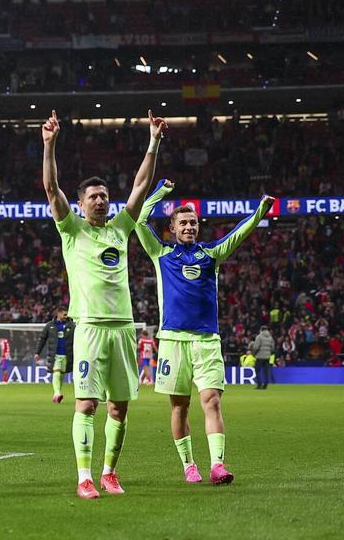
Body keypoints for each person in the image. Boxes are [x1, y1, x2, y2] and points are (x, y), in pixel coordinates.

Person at [42, 108, 166, 500]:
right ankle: (84, 477)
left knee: (120, 407)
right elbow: (51, 188)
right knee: (87, 403)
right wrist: (49, 145)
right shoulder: (72, 229)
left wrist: (154, 142)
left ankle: (109, 472)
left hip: (123, 328)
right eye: (93, 196)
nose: (100, 201)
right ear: (80, 204)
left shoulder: (120, 228)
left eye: (104, 196)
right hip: (91, 328)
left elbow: (142, 186)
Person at [136, 179, 273, 486]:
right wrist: (160, 192)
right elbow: (140, 219)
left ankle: (218, 465)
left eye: (193, 222)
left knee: (211, 400)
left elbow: (239, 234)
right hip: (172, 341)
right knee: (180, 406)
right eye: (183, 222)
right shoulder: (161, 253)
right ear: (172, 227)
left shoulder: (211, 254)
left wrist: (260, 212)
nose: (189, 227)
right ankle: (189, 466)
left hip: (207, 340)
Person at [35, 307, 75, 404]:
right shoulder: (50, 325)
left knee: (61, 375)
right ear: (59, 314)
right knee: (56, 373)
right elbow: (42, 339)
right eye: (64, 314)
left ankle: (56, 395)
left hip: (68, 355)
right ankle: (57, 393)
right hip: (55, 355)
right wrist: (37, 352)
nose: (66, 316)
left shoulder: (72, 325)